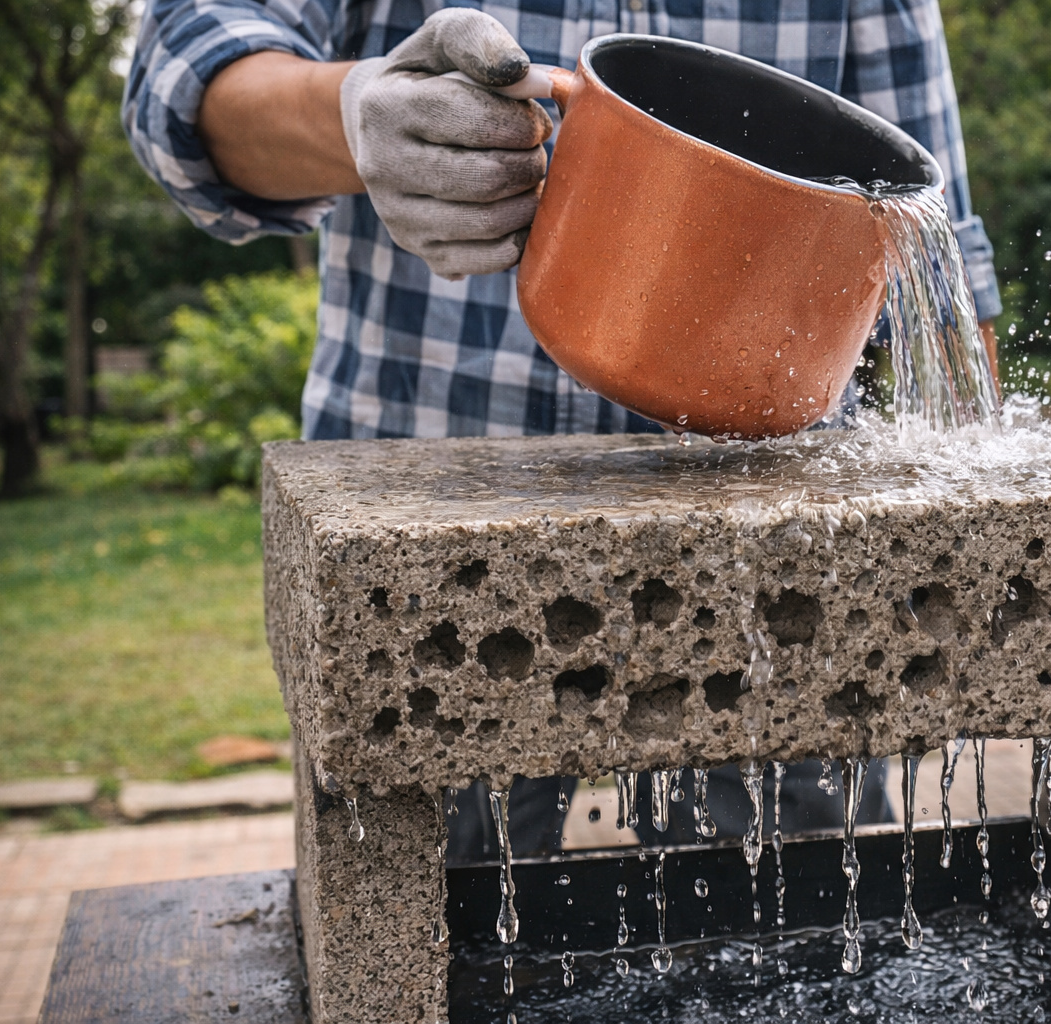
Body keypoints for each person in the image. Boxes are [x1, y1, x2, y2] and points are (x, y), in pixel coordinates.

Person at [123, 0, 1001, 859]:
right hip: (431, 563)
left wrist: (966, 572)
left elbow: (939, 264)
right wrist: (356, 112)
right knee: (426, 968)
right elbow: (183, 72)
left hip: (775, 579)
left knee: (797, 958)